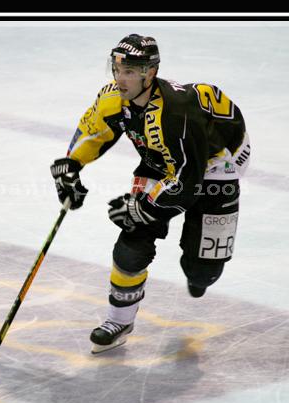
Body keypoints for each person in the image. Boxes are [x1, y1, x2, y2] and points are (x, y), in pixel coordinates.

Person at [50, 34, 251, 354]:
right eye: (117, 69)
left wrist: (144, 206)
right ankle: (119, 321)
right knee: (131, 245)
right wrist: (70, 166)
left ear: (150, 73)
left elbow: (188, 181)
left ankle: (199, 271)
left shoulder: (177, 113)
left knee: (203, 273)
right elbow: (93, 132)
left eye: (129, 71)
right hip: (161, 160)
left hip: (218, 164)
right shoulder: (113, 97)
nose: (120, 78)